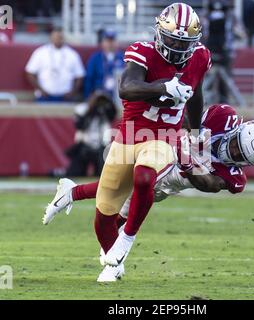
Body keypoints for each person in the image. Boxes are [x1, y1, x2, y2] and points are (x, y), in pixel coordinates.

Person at [44, 3, 211, 283]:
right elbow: (127, 87)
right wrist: (162, 86)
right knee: (104, 214)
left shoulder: (200, 57)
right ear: (160, 33)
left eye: (184, 42)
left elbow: (196, 94)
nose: (176, 47)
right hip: (129, 136)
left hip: (163, 137)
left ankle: (126, 242)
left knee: (145, 178)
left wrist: (195, 131)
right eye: (171, 39)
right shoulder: (143, 52)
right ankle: (109, 255)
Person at [43, 104, 254, 281]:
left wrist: (188, 162)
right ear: (239, 130)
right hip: (169, 148)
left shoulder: (236, 179)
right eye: (236, 143)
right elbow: (189, 115)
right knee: (133, 185)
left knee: (120, 211)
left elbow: (209, 184)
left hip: (174, 181)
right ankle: (113, 264)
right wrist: (183, 133)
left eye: (240, 155)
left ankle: (72, 193)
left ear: (248, 163)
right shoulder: (223, 117)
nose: (233, 151)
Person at [25, 27, 85, 102]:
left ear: (63, 38)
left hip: (65, 96)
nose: (57, 39)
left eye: (60, 37)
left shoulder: (72, 54)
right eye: (55, 37)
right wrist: (40, 90)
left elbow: (79, 75)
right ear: (50, 38)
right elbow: (30, 72)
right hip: (44, 96)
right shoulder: (40, 52)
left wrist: (73, 92)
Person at [65, 91, 117, 177]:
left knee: (104, 175)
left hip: (102, 145)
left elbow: (112, 115)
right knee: (74, 174)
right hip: (84, 144)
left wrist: (108, 101)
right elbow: (79, 125)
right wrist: (91, 108)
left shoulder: (105, 108)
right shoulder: (82, 108)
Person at [84, 30, 125, 99]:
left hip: (118, 94)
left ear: (116, 42)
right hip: (99, 94)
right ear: (102, 43)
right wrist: (88, 97)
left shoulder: (123, 57)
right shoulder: (95, 58)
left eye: (112, 41)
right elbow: (89, 78)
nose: (110, 44)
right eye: (107, 41)